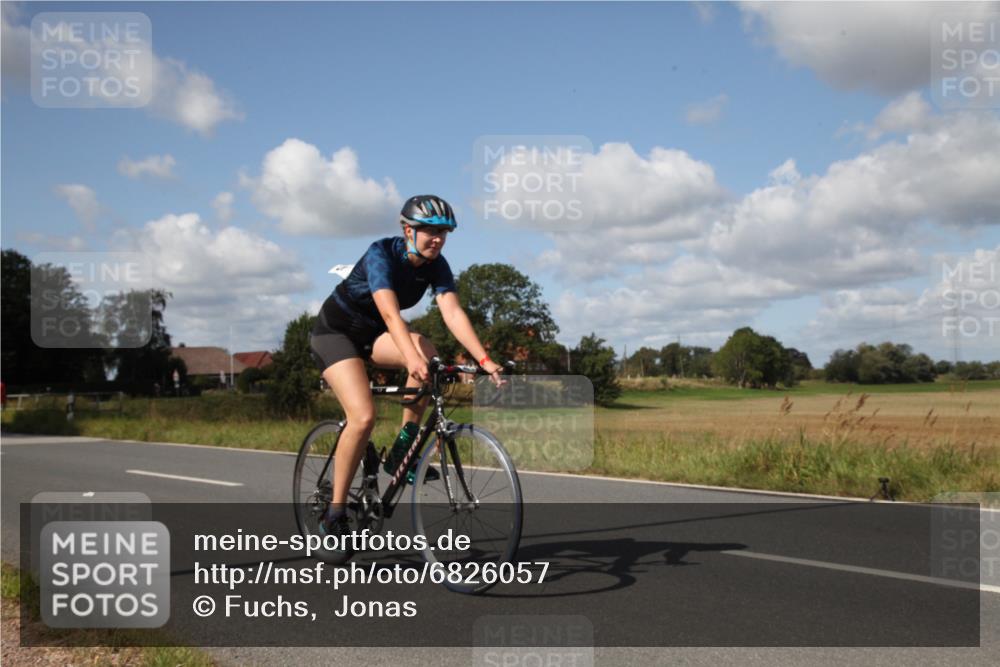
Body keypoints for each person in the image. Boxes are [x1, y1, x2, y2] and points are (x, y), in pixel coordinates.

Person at [309, 194, 504, 548]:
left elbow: (452, 313)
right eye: (430, 231)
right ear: (407, 230)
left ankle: (403, 449)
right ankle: (334, 513)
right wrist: (410, 358)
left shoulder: (436, 265)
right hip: (335, 334)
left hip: (374, 337)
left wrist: (484, 360)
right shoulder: (380, 254)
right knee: (363, 417)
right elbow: (390, 314)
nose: (437, 239)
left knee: (429, 354)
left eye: (443, 232)